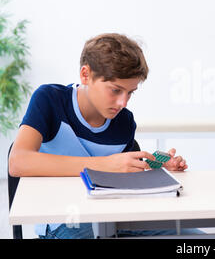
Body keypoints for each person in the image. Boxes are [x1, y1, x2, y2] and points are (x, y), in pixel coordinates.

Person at [8, 33, 202, 238]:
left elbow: (127, 175)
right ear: (86, 75)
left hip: (116, 216)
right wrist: (105, 165)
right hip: (66, 217)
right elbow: (18, 161)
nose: (123, 102)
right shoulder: (50, 100)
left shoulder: (124, 122)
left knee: (192, 237)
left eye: (130, 93)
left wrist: (156, 165)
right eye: (116, 90)